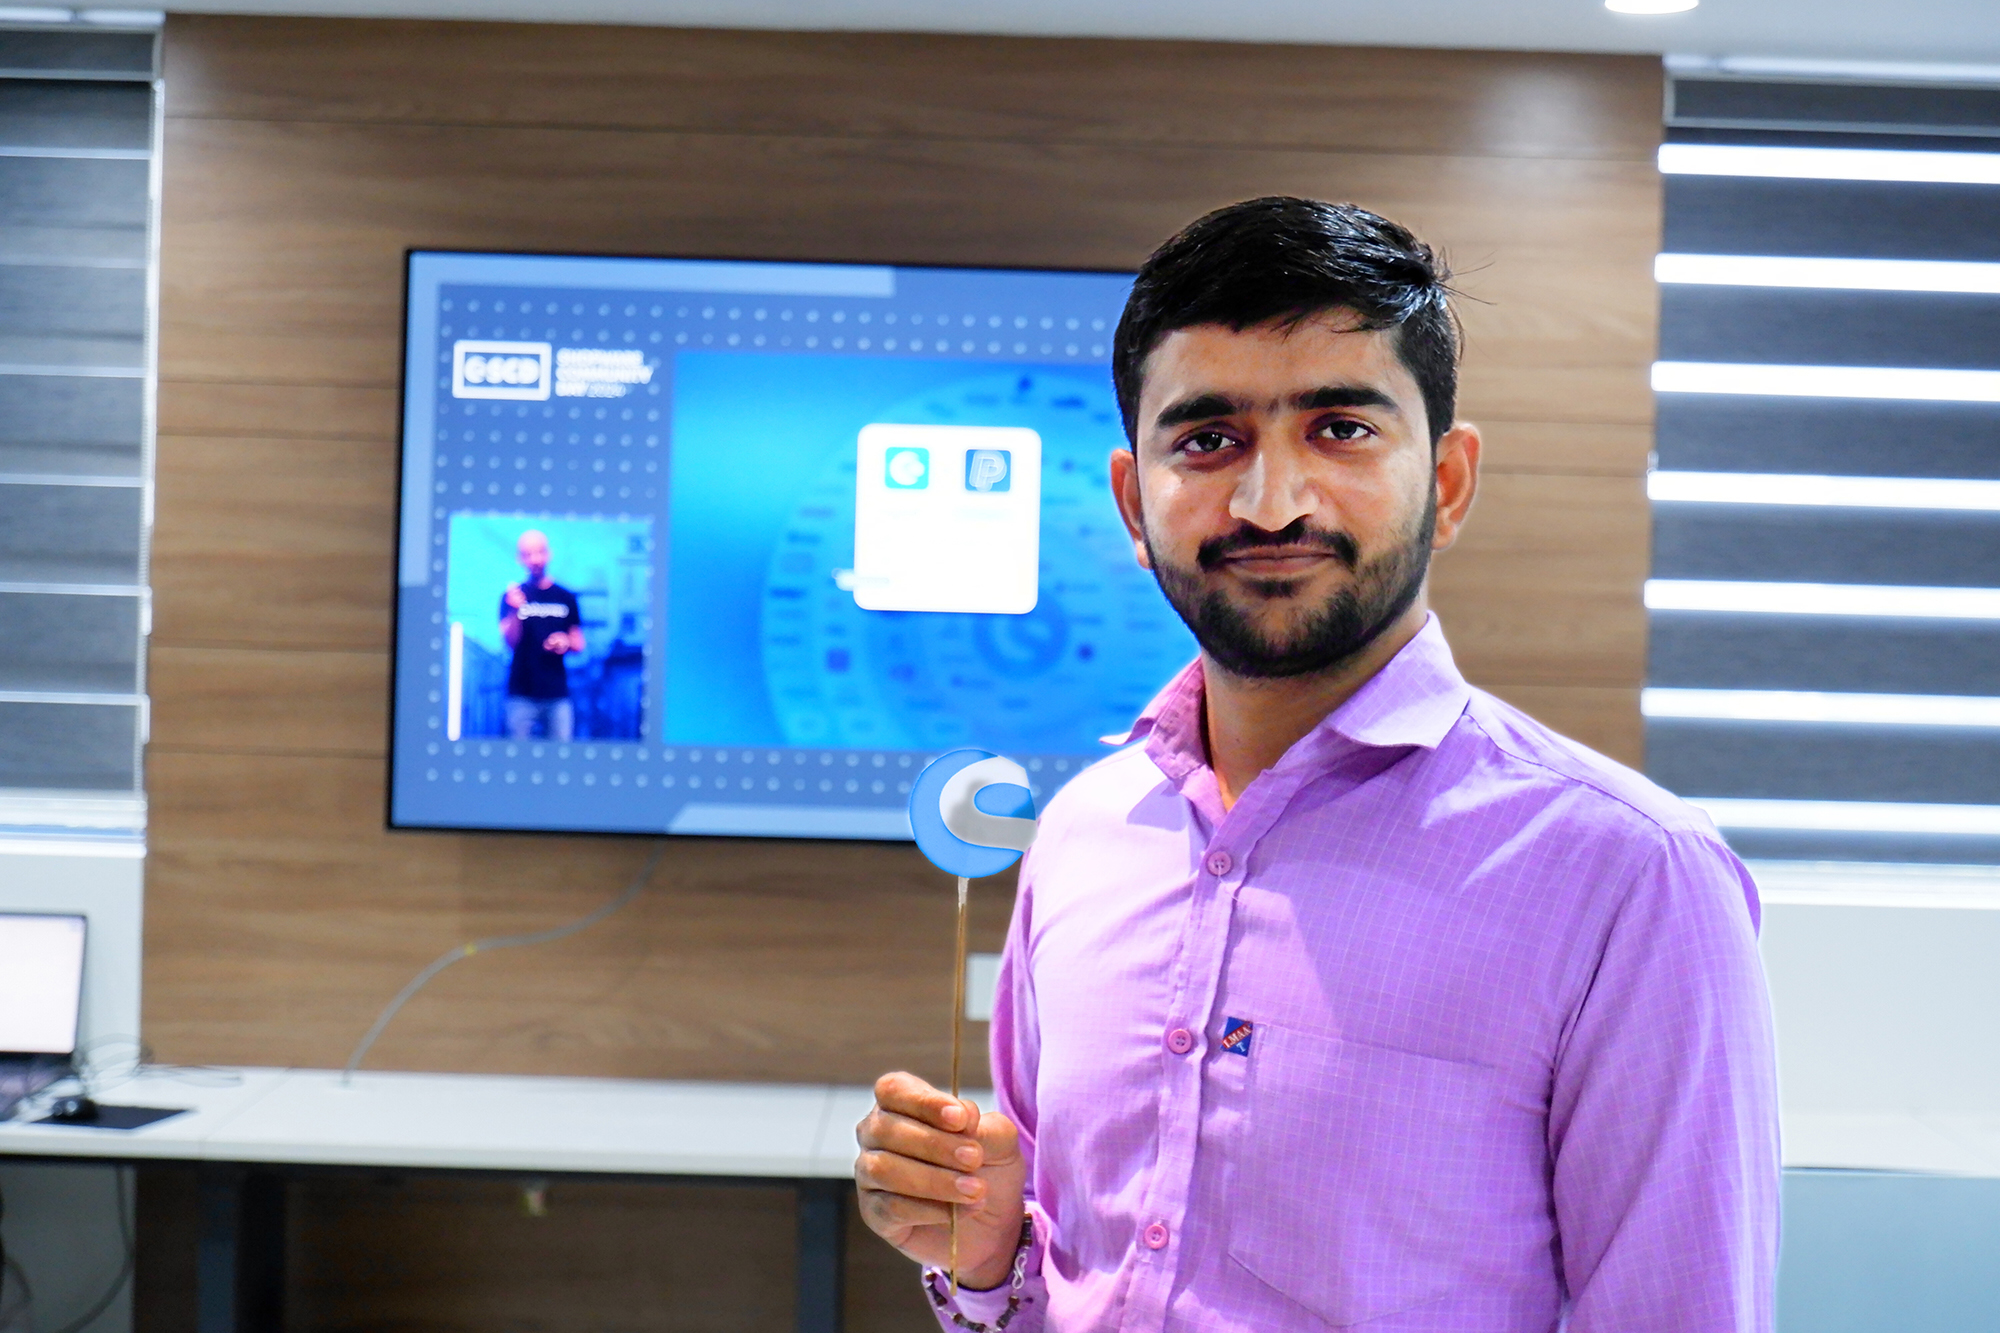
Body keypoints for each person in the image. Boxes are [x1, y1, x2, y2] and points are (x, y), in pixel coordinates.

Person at [855, 197, 1779, 1333]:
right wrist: (994, 1259)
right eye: (1208, 440)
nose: (1270, 502)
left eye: (1338, 428)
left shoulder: (1632, 878)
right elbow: (1056, 1292)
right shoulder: (1086, 833)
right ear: (1133, 503)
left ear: (1447, 482)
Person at [500, 529, 583, 741]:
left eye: (539, 552)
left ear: (548, 554)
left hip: (557, 695)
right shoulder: (511, 597)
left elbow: (578, 643)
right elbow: (510, 643)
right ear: (520, 559)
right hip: (520, 693)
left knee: (560, 756)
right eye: (528, 554)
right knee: (515, 756)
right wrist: (515, 611)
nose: (535, 559)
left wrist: (565, 642)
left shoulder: (566, 597)